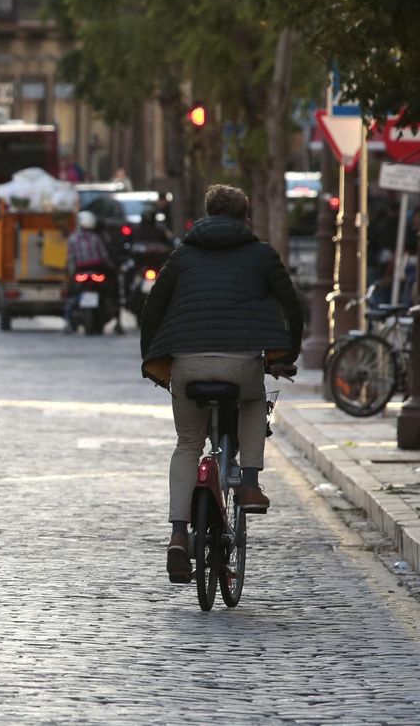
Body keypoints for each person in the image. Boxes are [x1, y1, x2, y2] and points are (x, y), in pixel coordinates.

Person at [139, 184, 303, 585]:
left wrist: (152, 361)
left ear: (206, 214)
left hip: (187, 366)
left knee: (187, 444)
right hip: (241, 365)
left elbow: (152, 309)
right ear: (246, 219)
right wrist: (286, 355)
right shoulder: (262, 255)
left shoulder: (182, 256)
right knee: (252, 401)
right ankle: (248, 483)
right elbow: (292, 305)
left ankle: (179, 534)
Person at [63, 210, 117, 334]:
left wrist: (71, 275)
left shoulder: (73, 239)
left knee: (72, 296)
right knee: (111, 293)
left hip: (81, 273)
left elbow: (71, 259)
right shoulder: (96, 238)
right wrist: (112, 267)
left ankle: (69, 322)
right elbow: (105, 257)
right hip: (97, 272)